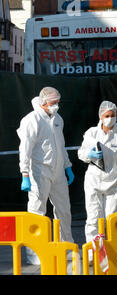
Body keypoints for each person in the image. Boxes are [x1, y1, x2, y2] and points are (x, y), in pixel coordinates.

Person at [17, 87, 75, 264]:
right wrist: (25, 173)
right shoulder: (32, 120)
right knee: (37, 212)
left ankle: (66, 246)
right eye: (53, 103)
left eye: (57, 102)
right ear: (43, 102)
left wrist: (67, 166)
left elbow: (61, 144)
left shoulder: (58, 119)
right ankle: (35, 253)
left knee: (64, 210)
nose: (56, 106)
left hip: (57, 172)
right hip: (38, 172)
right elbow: (24, 149)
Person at [78, 101, 117, 248]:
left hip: (113, 182)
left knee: (112, 219)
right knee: (93, 219)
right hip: (93, 181)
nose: (110, 118)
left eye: (113, 115)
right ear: (101, 117)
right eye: (107, 115)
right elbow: (81, 153)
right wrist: (89, 154)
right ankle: (93, 252)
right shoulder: (91, 133)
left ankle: (112, 251)